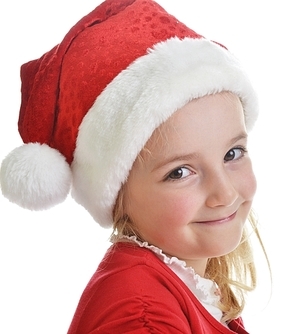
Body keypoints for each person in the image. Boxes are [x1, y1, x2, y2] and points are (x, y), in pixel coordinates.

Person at [0, 0, 267, 332]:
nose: (224, 194)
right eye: (179, 172)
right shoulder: (143, 318)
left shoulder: (188, 278)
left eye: (232, 154)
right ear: (118, 195)